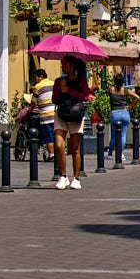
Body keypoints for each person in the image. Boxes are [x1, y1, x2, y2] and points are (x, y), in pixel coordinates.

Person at [52, 55, 91, 189]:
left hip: (75, 115)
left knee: (75, 148)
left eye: (64, 64)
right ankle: (63, 176)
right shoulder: (59, 81)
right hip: (61, 114)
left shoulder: (81, 81)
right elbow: (54, 100)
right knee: (58, 145)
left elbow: (86, 96)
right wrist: (59, 89)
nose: (62, 66)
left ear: (72, 66)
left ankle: (76, 178)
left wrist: (69, 91)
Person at [31, 68, 56, 159]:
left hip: (46, 115)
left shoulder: (37, 87)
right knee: (56, 134)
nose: (35, 79)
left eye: (35, 77)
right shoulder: (53, 84)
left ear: (39, 77)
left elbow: (33, 102)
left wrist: (30, 110)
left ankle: (51, 154)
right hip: (56, 113)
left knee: (48, 136)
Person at [107, 72, 131, 159]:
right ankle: (120, 153)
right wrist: (130, 106)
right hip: (124, 113)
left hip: (114, 113)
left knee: (113, 135)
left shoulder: (110, 90)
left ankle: (110, 154)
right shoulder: (125, 90)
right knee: (123, 135)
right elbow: (137, 97)